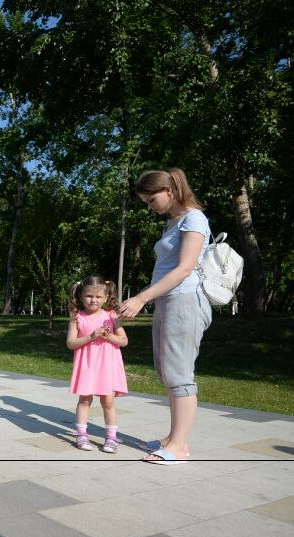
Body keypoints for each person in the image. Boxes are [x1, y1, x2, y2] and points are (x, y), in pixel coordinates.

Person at [118, 168, 211, 465]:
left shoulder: (195, 219)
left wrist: (142, 297)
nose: (150, 206)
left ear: (169, 191)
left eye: (151, 199)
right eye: (145, 201)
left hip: (184, 301)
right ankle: (172, 439)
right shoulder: (175, 222)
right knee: (169, 373)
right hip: (168, 302)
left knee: (180, 375)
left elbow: (184, 269)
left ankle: (180, 447)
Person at [66, 276, 129, 453]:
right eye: (89, 296)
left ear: (106, 297)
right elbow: (71, 343)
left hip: (106, 365)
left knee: (108, 400)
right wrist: (91, 337)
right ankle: (81, 434)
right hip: (87, 364)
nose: (94, 300)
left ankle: (111, 437)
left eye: (98, 297)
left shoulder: (112, 316)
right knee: (85, 399)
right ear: (81, 296)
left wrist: (109, 336)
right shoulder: (77, 318)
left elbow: (123, 341)